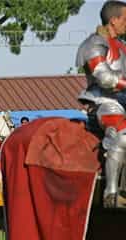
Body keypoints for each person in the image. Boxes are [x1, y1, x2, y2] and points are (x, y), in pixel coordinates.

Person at [76, 0, 126, 208]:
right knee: (123, 136)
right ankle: (112, 194)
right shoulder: (94, 43)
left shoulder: (122, 46)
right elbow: (103, 76)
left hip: (124, 100)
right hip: (105, 103)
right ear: (114, 20)